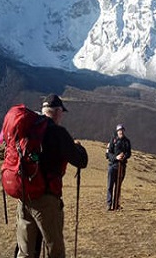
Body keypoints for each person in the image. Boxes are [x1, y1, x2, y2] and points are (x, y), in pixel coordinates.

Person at [15, 94, 88, 258]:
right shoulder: (58, 133)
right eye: (61, 112)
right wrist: (79, 148)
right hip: (47, 200)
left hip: (24, 195)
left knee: (25, 252)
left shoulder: (28, 128)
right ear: (57, 112)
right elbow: (81, 161)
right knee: (55, 250)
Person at [105, 123, 131, 211]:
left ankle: (116, 204)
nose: (121, 132)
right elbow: (108, 154)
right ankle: (109, 204)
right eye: (119, 130)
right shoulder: (113, 140)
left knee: (118, 186)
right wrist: (116, 157)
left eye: (122, 130)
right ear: (117, 131)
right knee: (110, 186)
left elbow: (129, 153)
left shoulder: (127, 141)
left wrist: (124, 156)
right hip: (112, 166)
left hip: (122, 166)